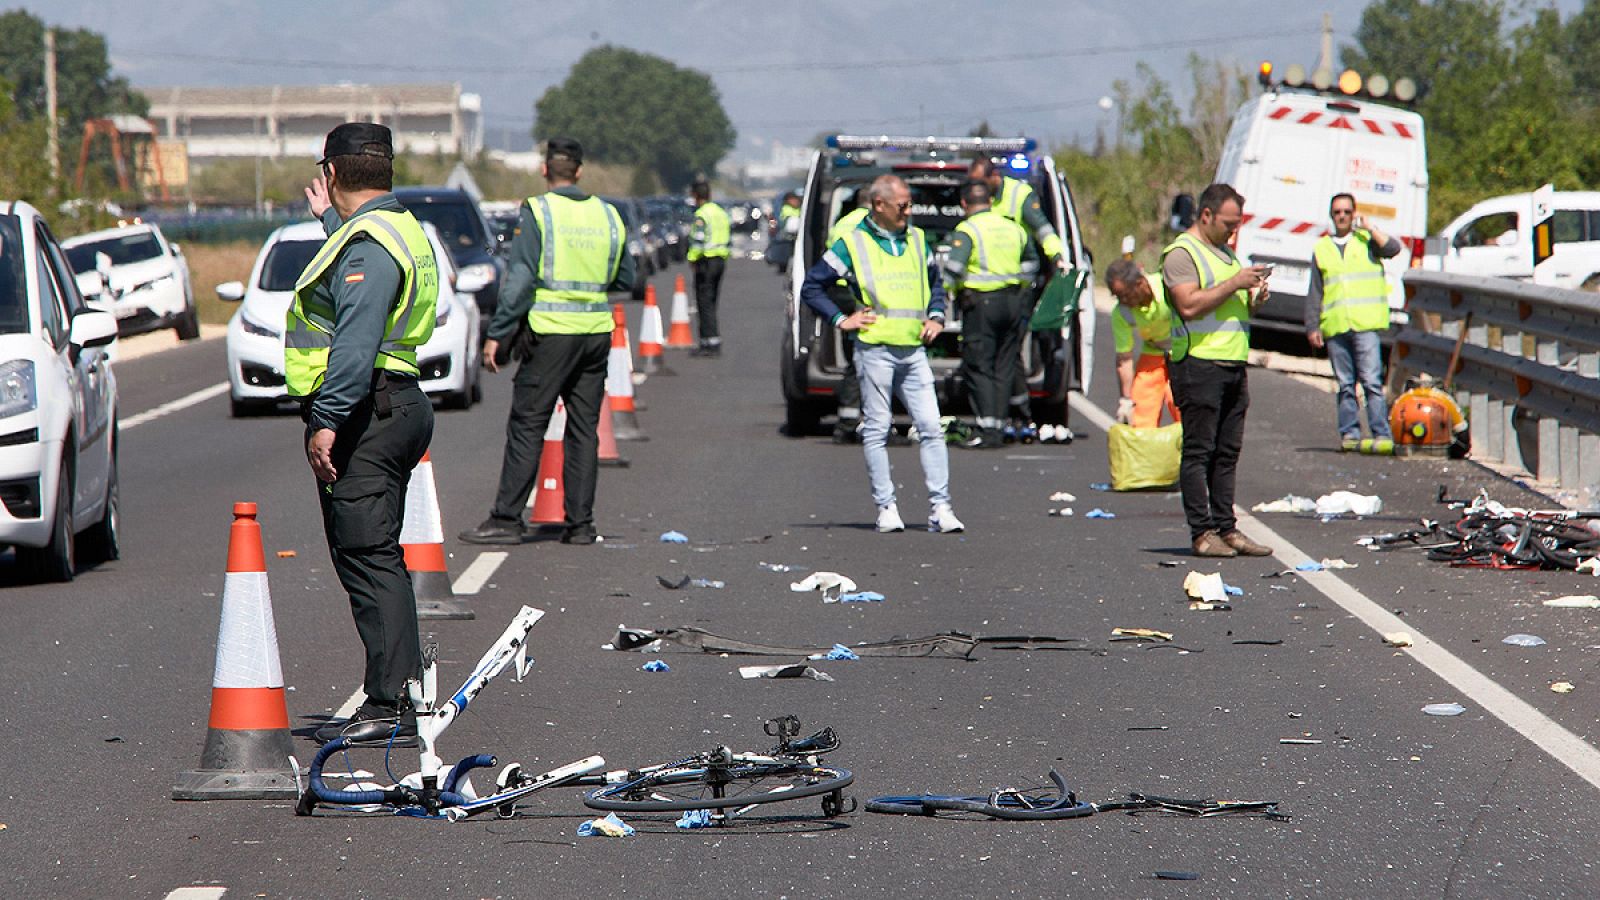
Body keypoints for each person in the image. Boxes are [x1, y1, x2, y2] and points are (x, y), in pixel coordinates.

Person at [289, 123, 437, 746]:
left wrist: (327, 420)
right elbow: (360, 275)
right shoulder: (390, 227)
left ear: (330, 171)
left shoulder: (372, 241)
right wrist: (331, 222)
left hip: (367, 412)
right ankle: (400, 690)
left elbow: (354, 339)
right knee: (376, 553)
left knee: (368, 556)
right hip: (395, 403)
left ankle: (392, 701)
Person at [458, 138, 634, 546]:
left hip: (551, 333)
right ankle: (580, 525)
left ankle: (506, 519)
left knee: (528, 424)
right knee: (583, 429)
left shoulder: (538, 211)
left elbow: (519, 281)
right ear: (579, 171)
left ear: (544, 170)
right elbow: (625, 277)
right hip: (594, 334)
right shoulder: (608, 215)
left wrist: (498, 333)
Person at [800, 175, 965, 534]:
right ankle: (886, 507)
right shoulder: (853, 244)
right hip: (874, 350)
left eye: (909, 204)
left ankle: (941, 507)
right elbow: (812, 286)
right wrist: (842, 319)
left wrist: (937, 315)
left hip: (913, 350)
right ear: (879, 205)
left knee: (932, 428)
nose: (909, 211)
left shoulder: (918, 240)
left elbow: (935, 283)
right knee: (877, 429)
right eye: (903, 205)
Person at [1162, 183, 1272, 558]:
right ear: (1206, 215)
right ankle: (1201, 532)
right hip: (1198, 365)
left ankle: (1227, 529)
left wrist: (1252, 297)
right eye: (1228, 223)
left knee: (1227, 452)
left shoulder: (1226, 254)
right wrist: (1235, 283)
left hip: (1231, 364)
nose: (1233, 231)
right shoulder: (1181, 254)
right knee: (1199, 451)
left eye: (1237, 224)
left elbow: (1229, 306)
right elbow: (1189, 306)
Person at [969, 156, 1067, 438]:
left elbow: (1044, 229)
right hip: (986, 288)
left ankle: (1018, 414)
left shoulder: (1018, 195)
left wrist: (1058, 257)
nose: (976, 188)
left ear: (994, 176)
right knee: (1003, 355)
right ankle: (1010, 412)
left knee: (1009, 353)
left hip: (1017, 287)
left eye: (980, 182)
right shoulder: (983, 199)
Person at [944, 179, 1038, 448]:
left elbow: (953, 269)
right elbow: (1031, 262)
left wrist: (946, 296)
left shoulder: (967, 229)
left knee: (978, 365)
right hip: (1012, 302)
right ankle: (999, 423)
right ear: (991, 202)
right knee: (1005, 363)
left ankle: (988, 429)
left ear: (964, 203)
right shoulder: (1014, 228)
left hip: (981, 305)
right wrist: (1020, 288)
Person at [1306, 193, 1400, 452]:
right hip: (1337, 325)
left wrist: (1369, 226)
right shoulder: (1322, 248)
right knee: (1346, 384)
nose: (1342, 216)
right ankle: (1350, 433)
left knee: (1371, 381)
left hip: (1365, 323)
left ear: (1354, 213)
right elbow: (1315, 290)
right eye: (1337, 212)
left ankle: (1381, 433)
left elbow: (1393, 249)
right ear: (1331, 215)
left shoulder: (1367, 240)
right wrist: (1312, 325)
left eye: (1347, 212)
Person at [1105, 258, 1179, 428]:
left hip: (1181, 351)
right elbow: (1124, 358)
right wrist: (1125, 400)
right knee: (1141, 409)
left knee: (1180, 403)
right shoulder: (1122, 312)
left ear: (1140, 283)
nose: (1122, 301)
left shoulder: (1166, 287)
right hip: (1153, 351)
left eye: (1124, 295)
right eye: (1117, 297)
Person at [826, 191, 870, 443]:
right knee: (866, 359)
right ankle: (852, 421)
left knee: (853, 357)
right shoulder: (875, 224)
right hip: (862, 294)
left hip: (841, 291)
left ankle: (848, 419)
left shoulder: (842, 223)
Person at [687, 181, 731, 357]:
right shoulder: (720, 212)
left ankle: (709, 342)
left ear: (696, 196)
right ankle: (712, 339)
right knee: (712, 301)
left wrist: (692, 259)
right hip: (720, 259)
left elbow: (698, 241)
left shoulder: (701, 214)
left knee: (704, 302)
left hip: (706, 261)